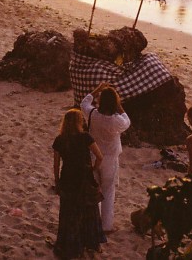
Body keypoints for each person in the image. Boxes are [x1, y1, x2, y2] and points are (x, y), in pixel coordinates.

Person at [52, 108, 106, 259]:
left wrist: (57, 182)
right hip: (84, 177)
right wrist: (93, 168)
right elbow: (100, 156)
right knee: (89, 210)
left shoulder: (60, 139)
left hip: (68, 178)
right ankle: (91, 243)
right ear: (79, 122)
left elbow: (56, 165)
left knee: (69, 212)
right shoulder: (86, 137)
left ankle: (70, 245)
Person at [80, 82, 131, 233]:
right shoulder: (116, 121)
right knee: (108, 190)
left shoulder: (92, 114)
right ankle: (106, 225)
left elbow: (84, 102)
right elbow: (127, 121)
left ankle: (94, 221)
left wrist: (97, 89)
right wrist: (119, 105)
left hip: (93, 155)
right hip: (110, 157)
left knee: (95, 188)